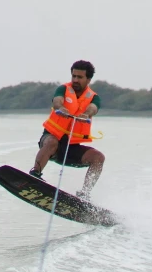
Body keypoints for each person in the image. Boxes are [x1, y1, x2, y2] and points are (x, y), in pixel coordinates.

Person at [29, 60, 105, 200]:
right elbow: (57, 100)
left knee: (98, 158)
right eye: (73, 76)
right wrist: (61, 107)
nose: (75, 80)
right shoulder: (63, 89)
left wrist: (86, 114)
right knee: (52, 142)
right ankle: (35, 174)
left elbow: (93, 108)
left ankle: (84, 194)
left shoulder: (94, 98)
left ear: (88, 79)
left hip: (71, 149)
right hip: (51, 142)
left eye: (79, 77)